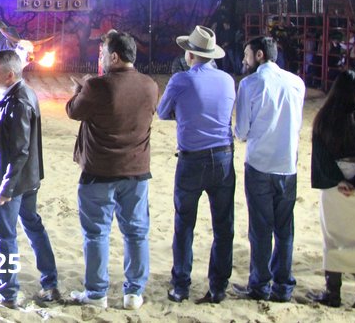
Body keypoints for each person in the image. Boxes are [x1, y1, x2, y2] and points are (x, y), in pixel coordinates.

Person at [65, 30, 159, 310]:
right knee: (136, 233)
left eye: (103, 53)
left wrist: (80, 89)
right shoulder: (150, 85)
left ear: (114, 57)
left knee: (96, 234)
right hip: (136, 171)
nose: (101, 58)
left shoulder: (98, 86)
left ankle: (96, 292)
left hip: (100, 171)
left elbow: (73, 111)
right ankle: (134, 292)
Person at [157, 26, 236, 304]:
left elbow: (162, 112)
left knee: (184, 224)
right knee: (223, 226)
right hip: (223, 157)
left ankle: (181, 285)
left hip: (192, 159)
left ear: (190, 54)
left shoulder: (181, 79)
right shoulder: (227, 80)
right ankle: (218, 286)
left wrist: (184, 113)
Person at [232, 35, 305, 302]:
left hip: (260, 164)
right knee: (284, 230)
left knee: (261, 229)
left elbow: (242, 131)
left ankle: (260, 285)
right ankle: (283, 286)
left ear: (259, 55)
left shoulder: (249, 84)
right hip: (287, 165)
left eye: (247, 55)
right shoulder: (296, 82)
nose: (244, 60)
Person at [0, 50, 58, 308]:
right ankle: (50, 282)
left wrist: (6, 187)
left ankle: (8, 292)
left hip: (14, 179)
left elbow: (19, 150)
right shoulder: (22, 93)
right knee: (33, 225)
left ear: (9, 75)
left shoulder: (18, 101)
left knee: (4, 235)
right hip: (29, 178)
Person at [308, 69, 355, 309]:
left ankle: (332, 293)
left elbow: (320, 153)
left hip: (334, 186)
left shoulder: (325, 117)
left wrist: (336, 179)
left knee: (332, 238)